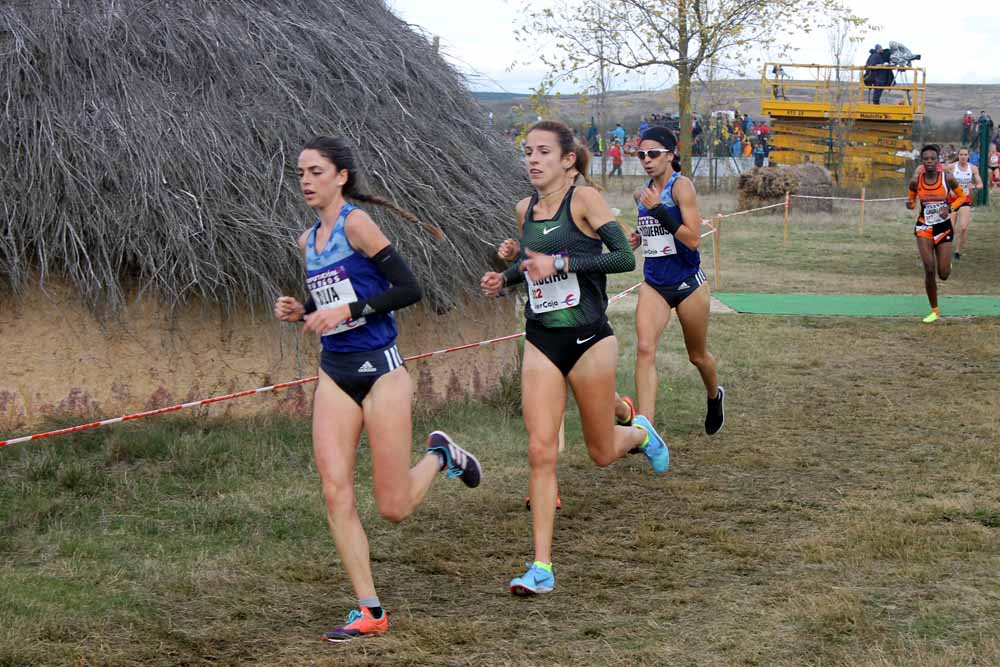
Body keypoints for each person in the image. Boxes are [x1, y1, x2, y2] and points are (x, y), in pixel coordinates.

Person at [273, 136, 483, 641]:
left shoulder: (358, 225)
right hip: (335, 373)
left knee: (393, 507)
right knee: (334, 489)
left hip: (382, 372)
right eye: (301, 172)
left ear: (341, 176)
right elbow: (333, 293)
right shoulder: (307, 241)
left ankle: (440, 455)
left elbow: (408, 289)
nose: (305, 180)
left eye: (317, 171)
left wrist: (348, 312)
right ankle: (369, 609)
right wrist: (300, 310)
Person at [480, 120, 669, 597]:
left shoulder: (584, 200)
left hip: (589, 337)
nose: (532, 159)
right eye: (527, 151)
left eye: (544, 151)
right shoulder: (525, 209)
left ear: (568, 160)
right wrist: (505, 278)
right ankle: (541, 567)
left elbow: (623, 258)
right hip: (543, 337)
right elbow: (534, 267)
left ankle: (638, 432)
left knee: (601, 452)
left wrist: (562, 263)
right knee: (540, 451)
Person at [628, 126, 724, 435]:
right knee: (644, 349)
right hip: (655, 283)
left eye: (653, 154)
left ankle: (714, 395)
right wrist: (638, 237)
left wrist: (658, 211)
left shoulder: (681, 187)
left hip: (688, 283)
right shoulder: (641, 193)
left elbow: (692, 239)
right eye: (642, 154)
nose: (646, 160)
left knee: (697, 356)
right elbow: (655, 233)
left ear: (670, 155)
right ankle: (646, 430)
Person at [906, 144, 966, 323]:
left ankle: (946, 265)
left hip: (943, 228)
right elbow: (910, 199)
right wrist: (909, 204)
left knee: (943, 273)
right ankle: (934, 310)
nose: (929, 162)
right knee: (929, 268)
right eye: (926, 159)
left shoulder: (947, 178)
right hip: (924, 227)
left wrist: (950, 207)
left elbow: (962, 197)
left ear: (938, 160)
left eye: (933, 158)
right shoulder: (916, 181)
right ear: (922, 162)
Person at [950, 147, 983, 261]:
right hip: (952, 200)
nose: (963, 157)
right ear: (958, 156)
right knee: (950, 228)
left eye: (965, 154)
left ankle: (957, 251)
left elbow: (980, 185)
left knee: (963, 227)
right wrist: (949, 189)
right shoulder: (952, 167)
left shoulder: (973, 168)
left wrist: (973, 186)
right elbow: (942, 178)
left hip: (965, 199)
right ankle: (945, 248)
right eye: (961, 154)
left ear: (968, 156)